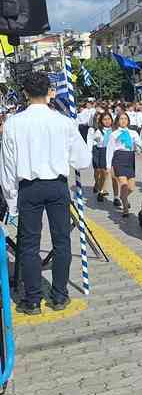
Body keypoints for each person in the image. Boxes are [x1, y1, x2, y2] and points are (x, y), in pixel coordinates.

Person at [0, 71, 92, 314]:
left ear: (25, 93)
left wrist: (11, 201)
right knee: (61, 242)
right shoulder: (64, 122)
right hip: (57, 186)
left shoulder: (13, 123)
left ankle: (32, 300)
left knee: (28, 245)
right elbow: (83, 161)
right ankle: (59, 296)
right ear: (49, 92)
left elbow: (7, 167)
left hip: (28, 188)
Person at [105, 112, 142, 218]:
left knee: (131, 187)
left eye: (125, 118)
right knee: (123, 184)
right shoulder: (114, 134)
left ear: (128, 120)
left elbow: (140, 144)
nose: (123, 121)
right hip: (119, 158)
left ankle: (123, 197)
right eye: (121, 119)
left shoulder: (133, 133)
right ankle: (125, 208)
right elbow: (110, 150)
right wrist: (108, 166)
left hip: (130, 158)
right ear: (117, 121)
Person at [89, 111, 114, 202]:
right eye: (104, 119)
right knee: (98, 171)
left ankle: (102, 189)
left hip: (108, 151)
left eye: (108, 119)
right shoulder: (96, 130)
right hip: (98, 151)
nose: (107, 121)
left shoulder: (113, 130)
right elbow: (90, 141)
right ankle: (97, 184)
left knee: (105, 172)